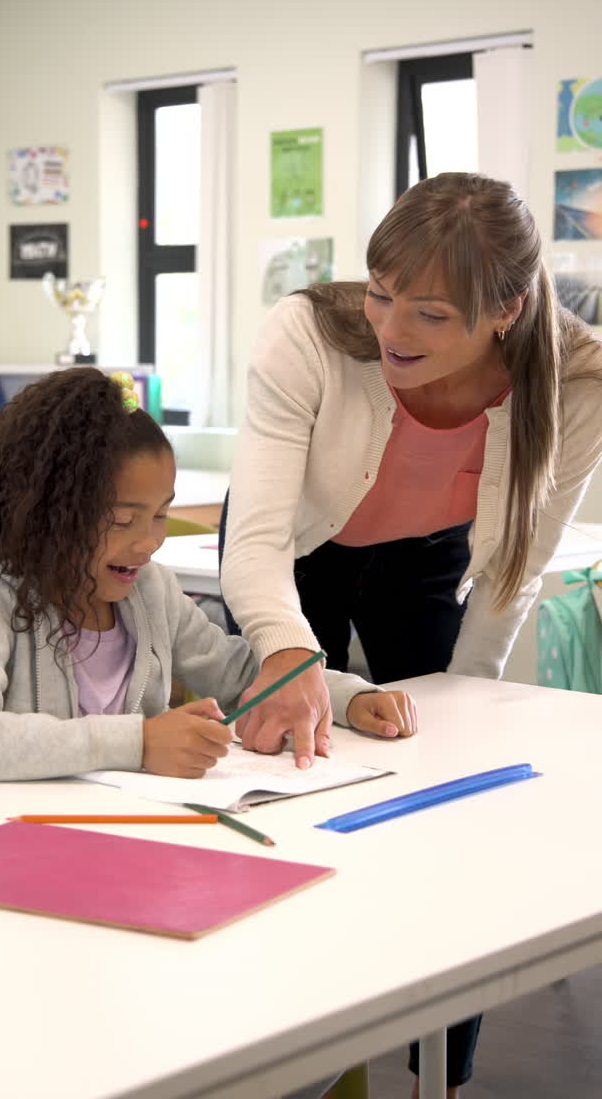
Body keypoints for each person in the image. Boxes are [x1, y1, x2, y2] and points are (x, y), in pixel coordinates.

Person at [220, 172, 602, 1098]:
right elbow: (258, 544)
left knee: (450, 793)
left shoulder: (579, 380)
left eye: (431, 315)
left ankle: (445, 1069)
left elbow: (512, 571)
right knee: (291, 768)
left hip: (426, 558)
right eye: (383, 294)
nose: (393, 331)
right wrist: (287, 653)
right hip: (295, 551)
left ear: (506, 309)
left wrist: (468, 708)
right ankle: (276, 1030)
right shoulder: (307, 333)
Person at [0, 366, 412, 788]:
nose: (149, 542)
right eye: (122, 520)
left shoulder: (150, 591)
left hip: (132, 827)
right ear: (48, 514)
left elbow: (241, 675)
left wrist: (349, 698)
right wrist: (139, 743)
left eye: (161, 514)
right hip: (16, 837)